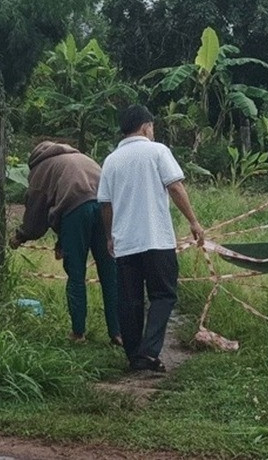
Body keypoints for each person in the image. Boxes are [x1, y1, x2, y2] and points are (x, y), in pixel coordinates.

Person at [97, 105, 205, 372]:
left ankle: (134, 355)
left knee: (129, 300)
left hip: (125, 243)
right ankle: (149, 352)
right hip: (156, 239)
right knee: (163, 295)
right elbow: (175, 186)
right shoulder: (157, 151)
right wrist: (193, 220)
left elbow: (106, 204)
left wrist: (110, 236)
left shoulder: (111, 160)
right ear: (146, 127)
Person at [11, 140, 121, 345]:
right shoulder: (81, 157)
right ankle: (118, 333)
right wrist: (63, 241)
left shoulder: (41, 168)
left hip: (76, 210)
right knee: (110, 272)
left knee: (76, 273)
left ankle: (78, 333)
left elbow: (36, 215)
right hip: (105, 208)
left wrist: (20, 236)